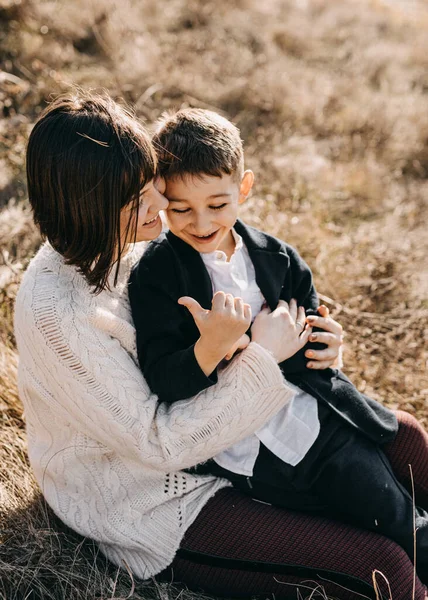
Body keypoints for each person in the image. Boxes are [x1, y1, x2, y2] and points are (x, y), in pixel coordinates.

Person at [14, 91, 428, 600]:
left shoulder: (135, 237)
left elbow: (261, 298)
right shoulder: (58, 314)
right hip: (153, 495)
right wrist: (262, 357)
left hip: (236, 427)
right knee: (381, 568)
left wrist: (319, 344)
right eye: (138, 199)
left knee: (408, 440)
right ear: (89, 208)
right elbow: (161, 444)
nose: (163, 205)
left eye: (151, 185)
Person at [128, 107, 428, 585]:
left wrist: (328, 345)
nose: (200, 222)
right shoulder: (157, 278)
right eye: (181, 208)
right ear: (162, 198)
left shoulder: (278, 257)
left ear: (244, 188)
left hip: (319, 425)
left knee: (397, 516)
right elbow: (163, 379)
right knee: (354, 538)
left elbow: (312, 327)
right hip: (248, 451)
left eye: (217, 204)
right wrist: (211, 348)